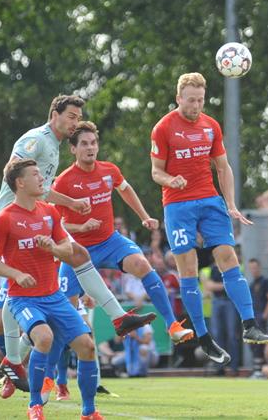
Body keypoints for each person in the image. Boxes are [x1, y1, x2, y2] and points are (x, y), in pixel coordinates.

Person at [0, 95, 153, 400]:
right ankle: (13, 365)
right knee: (6, 313)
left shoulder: (53, 146)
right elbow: (12, 171)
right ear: (55, 114)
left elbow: (43, 190)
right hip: (16, 225)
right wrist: (17, 219)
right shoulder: (37, 140)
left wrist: (68, 204)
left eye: (78, 118)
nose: (75, 123)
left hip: (36, 221)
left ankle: (119, 317)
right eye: (72, 117)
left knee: (78, 255)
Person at [150, 72, 268, 365]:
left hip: (209, 199)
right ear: (179, 98)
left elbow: (223, 167)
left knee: (229, 257)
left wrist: (230, 203)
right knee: (189, 268)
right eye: (190, 100)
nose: (196, 105)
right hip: (178, 205)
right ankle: (204, 338)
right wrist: (170, 179)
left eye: (200, 100)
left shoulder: (210, 126)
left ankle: (250, 325)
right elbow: (155, 172)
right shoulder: (163, 128)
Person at [52, 121, 193, 344]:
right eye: (84, 144)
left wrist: (144, 216)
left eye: (94, 143)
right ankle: (54, 377)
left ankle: (172, 325)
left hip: (109, 242)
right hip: (76, 250)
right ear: (73, 149)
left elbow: (125, 190)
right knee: (65, 317)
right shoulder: (63, 182)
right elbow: (54, 226)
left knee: (143, 265)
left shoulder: (109, 170)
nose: (90, 148)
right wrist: (80, 227)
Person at [0, 158, 103, 420]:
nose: (42, 179)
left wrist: (51, 248)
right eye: (36, 174)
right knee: (45, 338)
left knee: (87, 346)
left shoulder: (50, 212)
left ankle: (89, 412)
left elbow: (68, 250)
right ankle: (34, 405)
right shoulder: (4, 219)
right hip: (23, 299)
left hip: (54, 296)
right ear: (20, 182)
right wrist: (16, 274)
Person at [248, 259, 268, 363]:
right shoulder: (251, 284)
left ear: (259, 268)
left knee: (260, 343)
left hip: (260, 317)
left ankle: (262, 366)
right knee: (252, 342)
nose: (253, 270)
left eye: (255, 268)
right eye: (251, 268)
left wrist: (265, 315)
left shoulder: (265, 282)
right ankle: (257, 367)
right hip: (253, 317)